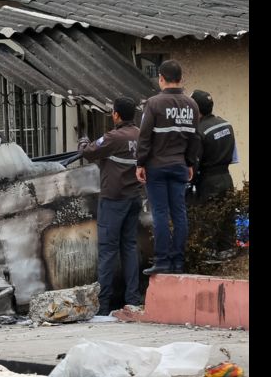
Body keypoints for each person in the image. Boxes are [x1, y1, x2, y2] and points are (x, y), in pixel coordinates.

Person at [78, 97, 143, 315]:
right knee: (129, 247)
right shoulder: (141, 135)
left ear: (116, 114)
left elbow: (87, 152)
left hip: (113, 199)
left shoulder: (113, 137)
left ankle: (103, 305)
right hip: (134, 198)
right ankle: (132, 299)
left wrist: (82, 142)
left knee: (107, 251)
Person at [136, 60, 200, 275]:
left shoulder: (153, 104)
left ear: (161, 78)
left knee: (161, 214)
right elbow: (194, 138)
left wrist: (140, 163)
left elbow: (144, 137)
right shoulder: (192, 105)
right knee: (180, 214)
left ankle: (162, 261)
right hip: (180, 165)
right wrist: (190, 163)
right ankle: (178, 261)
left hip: (156, 167)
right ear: (181, 79)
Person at [190, 90, 238, 203]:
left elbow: (194, 165)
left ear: (195, 109)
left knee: (208, 218)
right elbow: (234, 157)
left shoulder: (199, 132)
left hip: (208, 185)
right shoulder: (226, 125)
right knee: (227, 217)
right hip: (227, 180)